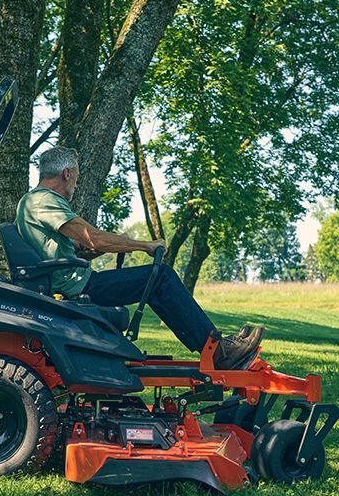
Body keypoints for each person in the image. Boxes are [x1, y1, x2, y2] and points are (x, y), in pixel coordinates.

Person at [15, 146, 263, 369]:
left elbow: (80, 248)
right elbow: (93, 238)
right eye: (77, 178)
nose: (76, 185)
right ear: (67, 173)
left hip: (70, 282)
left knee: (156, 279)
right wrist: (144, 245)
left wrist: (115, 245)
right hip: (76, 287)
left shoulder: (33, 202)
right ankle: (218, 352)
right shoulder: (44, 201)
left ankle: (216, 346)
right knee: (160, 278)